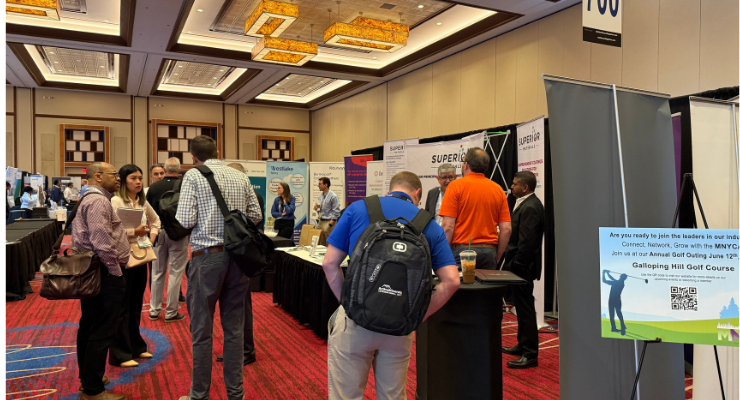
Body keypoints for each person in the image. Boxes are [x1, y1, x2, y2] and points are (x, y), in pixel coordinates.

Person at [322, 171, 460, 400]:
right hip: (399, 325)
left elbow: (329, 264)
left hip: (355, 322)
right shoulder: (429, 225)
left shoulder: (358, 209)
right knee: (392, 395)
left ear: (389, 190)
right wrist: (417, 315)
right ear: (417, 193)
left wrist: (349, 304)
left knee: (345, 395)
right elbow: (452, 281)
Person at [176, 135, 262, 400]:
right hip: (238, 259)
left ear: (193, 157)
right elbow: (256, 216)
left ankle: (199, 395)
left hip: (206, 258)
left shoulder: (193, 176)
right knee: (234, 331)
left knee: (201, 331)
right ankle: (236, 394)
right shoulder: (240, 176)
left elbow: (185, 220)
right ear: (217, 151)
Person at [73, 162, 129, 400]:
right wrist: (116, 272)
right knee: (101, 330)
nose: (118, 178)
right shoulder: (98, 201)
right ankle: (93, 389)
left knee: (89, 326)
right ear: (98, 177)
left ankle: (89, 379)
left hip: (93, 271)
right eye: (113, 174)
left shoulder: (90, 198)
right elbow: (101, 241)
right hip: (104, 273)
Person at [108, 164, 161, 368]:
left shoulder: (142, 201)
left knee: (136, 304)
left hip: (141, 256)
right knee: (122, 306)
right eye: (133, 178)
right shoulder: (116, 201)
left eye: (140, 178)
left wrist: (150, 239)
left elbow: (156, 221)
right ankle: (120, 353)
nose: (138, 182)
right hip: (122, 258)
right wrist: (134, 233)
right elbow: (110, 230)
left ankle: (136, 347)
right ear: (123, 181)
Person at [439, 147, 512, 270]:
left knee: (462, 283)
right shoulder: (498, 190)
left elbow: (448, 227)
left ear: (466, 165)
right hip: (489, 252)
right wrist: (497, 256)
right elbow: (507, 230)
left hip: (462, 252)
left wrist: (443, 256)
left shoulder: (455, 187)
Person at [501, 171, 545, 369]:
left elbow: (527, 242)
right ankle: (522, 344)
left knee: (525, 309)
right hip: (521, 266)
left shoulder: (531, 207)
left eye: (515, 184)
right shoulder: (526, 203)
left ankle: (530, 353)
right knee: (521, 307)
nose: (512, 187)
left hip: (523, 268)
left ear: (525, 187)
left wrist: (516, 265)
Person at [147, 157, 188, 323]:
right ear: (179, 170)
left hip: (158, 232)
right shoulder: (185, 186)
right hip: (178, 233)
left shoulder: (153, 187)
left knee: (157, 273)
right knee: (175, 273)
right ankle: (171, 312)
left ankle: (154, 310)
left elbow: (147, 211)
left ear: (164, 170)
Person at [603, 270, 628, 335]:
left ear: (620, 277)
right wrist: (607, 273)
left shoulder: (616, 282)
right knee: (619, 313)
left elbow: (604, 280)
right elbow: (612, 279)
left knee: (612, 314)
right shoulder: (621, 283)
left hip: (612, 300)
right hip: (617, 300)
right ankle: (622, 326)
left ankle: (614, 328)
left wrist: (604, 273)